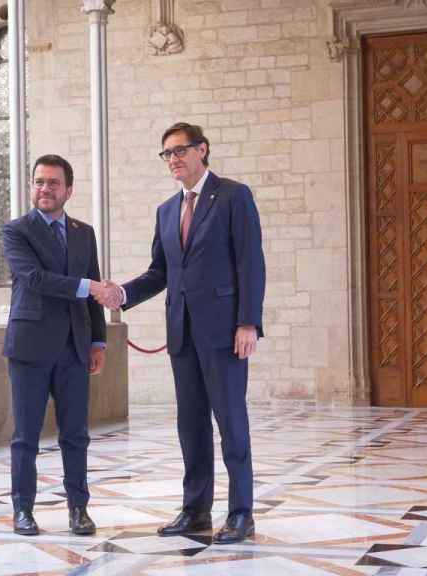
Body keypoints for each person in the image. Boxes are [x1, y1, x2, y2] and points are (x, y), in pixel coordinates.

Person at [97, 122, 265, 544]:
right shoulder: (167, 211)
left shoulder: (233, 196)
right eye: (167, 154)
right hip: (182, 336)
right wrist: (124, 294)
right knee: (190, 426)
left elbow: (250, 263)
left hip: (225, 333)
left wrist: (248, 322)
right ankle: (195, 511)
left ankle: (242, 514)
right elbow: (160, 272)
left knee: (231, 423)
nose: (173, 159)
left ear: (202, 150)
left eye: (180, 151)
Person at [2, 154, 113, 536]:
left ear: (69, 189)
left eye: (52, 182)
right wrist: (88, 287)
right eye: (38, 182)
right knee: (26, 436)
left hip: (74, 348)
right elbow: (34, 278)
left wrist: (98, 340)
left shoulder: (85, 232)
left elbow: (94, 286)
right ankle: (23, 511)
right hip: (30, 347)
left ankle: (79, 509)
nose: (44, 188)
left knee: (76, 434)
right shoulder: (16, 230)